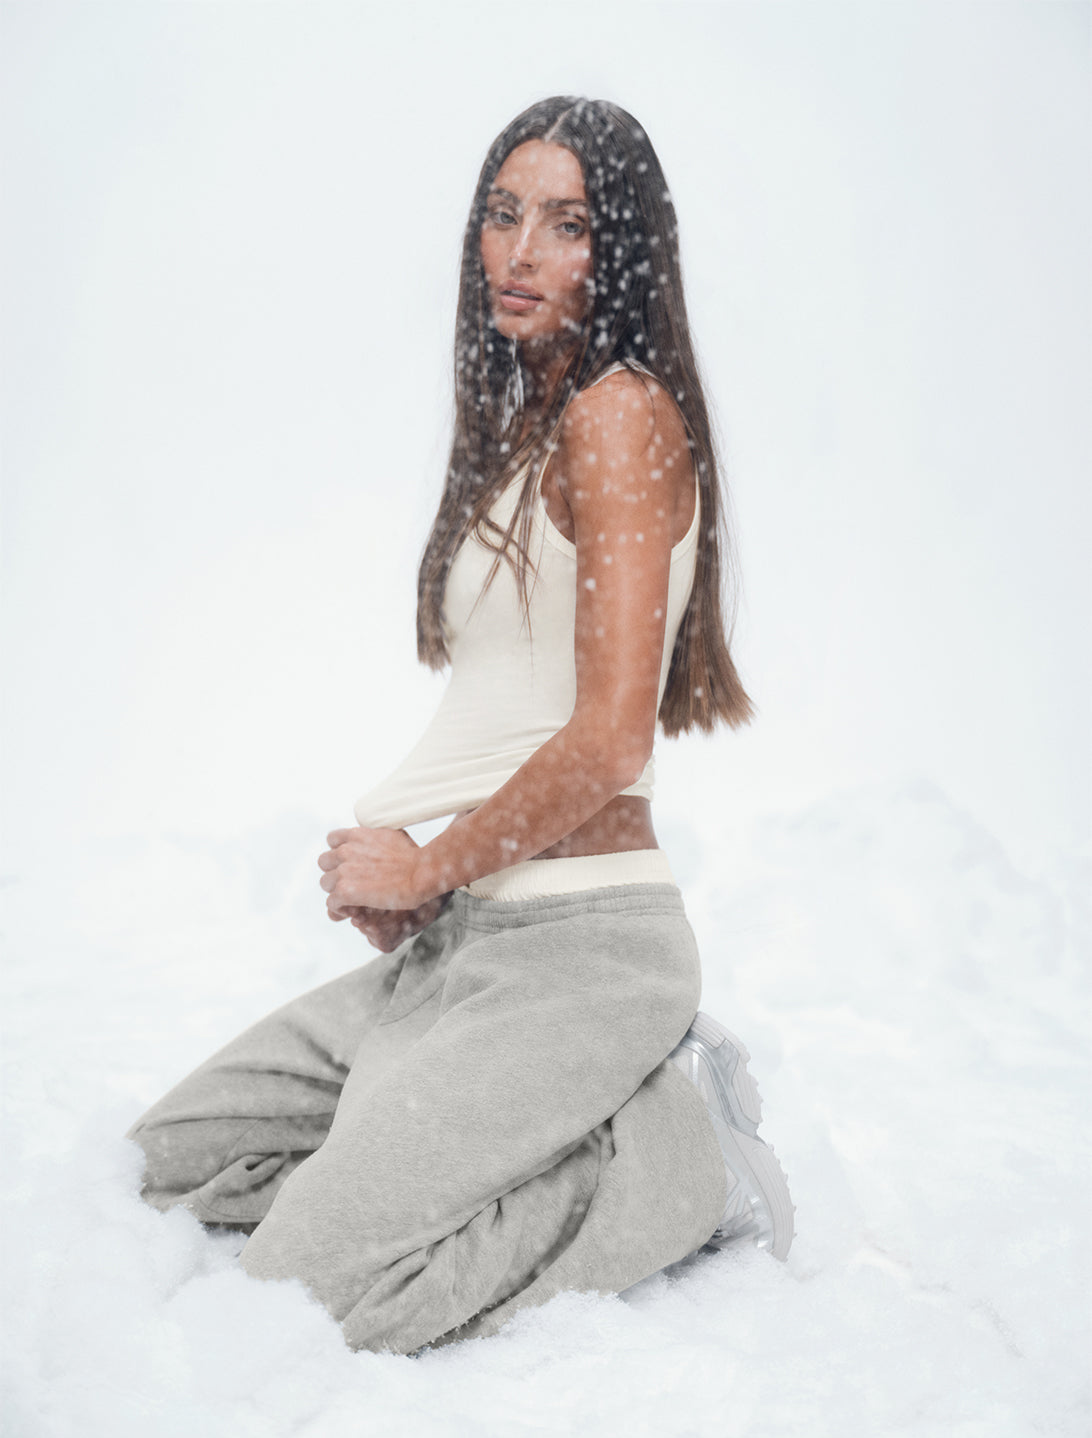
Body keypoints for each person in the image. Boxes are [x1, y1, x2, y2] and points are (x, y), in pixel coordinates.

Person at [128, 97, 794, 1356]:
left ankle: (681, 1155)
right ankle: (494, 1135)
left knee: (306, 1287)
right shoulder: (527, 427)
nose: (520, 251)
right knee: (165, 1169)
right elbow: (512, 710)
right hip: (468, 942)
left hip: (588, 952)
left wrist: (429, 861)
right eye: (502, 214)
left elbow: (608, 741)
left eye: (567, 224)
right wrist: (442, 889)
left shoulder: (620, 415)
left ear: (622, 252)